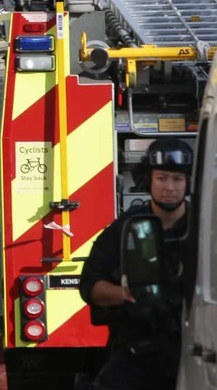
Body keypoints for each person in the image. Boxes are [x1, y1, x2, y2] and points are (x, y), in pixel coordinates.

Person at [79, 138, 194, 390]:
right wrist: (130, 294)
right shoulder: (125, 228)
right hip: (137, 351)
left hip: (194, 350)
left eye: (177, 179)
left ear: (188, 182)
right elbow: (90, 285)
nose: (169, 187)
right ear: (149, 180)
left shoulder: (204, 227)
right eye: (162, 178)